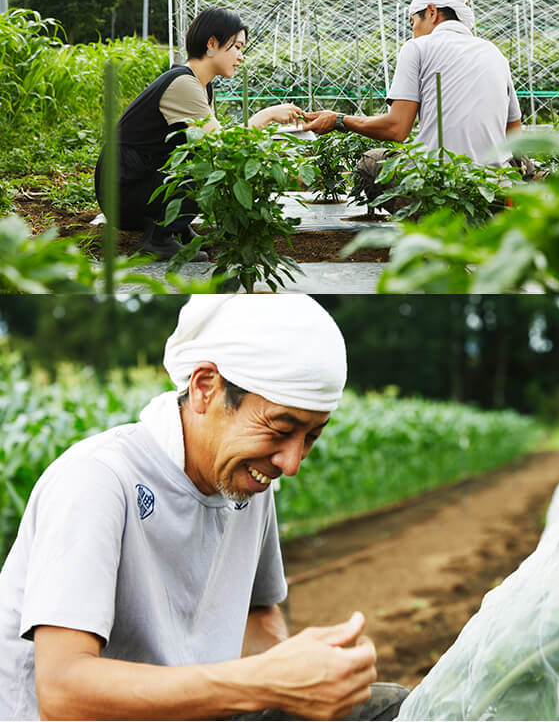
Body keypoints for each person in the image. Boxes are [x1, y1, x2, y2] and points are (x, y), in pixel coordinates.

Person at [0, 295, 409, 721]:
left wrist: (303, 677)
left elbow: (257, 615)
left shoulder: (247, 482)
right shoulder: (98, 481)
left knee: (387, 707)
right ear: (205, 387)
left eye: (310, 437)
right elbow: (63, 692)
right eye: (280, 429)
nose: (291, 463)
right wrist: (265, 681)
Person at [94, 7, 304, 260]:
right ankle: (158, 239)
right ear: (212, 44)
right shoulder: (184, 84)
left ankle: (179, 229)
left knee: (197, 153)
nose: (241, 56)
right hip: (121, 191)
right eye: (237, 47)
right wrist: (266, 115)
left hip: (134, 182)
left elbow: (206, 142)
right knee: (210, 165)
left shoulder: (201, 85)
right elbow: (222, 148)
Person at [302, 0, 529, 211]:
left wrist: (338, 120)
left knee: (370, 163)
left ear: (431, 12)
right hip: (494, 189)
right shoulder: (494, 53)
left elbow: (397, 129)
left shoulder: (418, 47)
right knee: (523, 162)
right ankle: (504, 214)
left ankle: (424, 222)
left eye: (413, 22)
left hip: (441, 186)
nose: (413, 31)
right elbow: (515, 136)